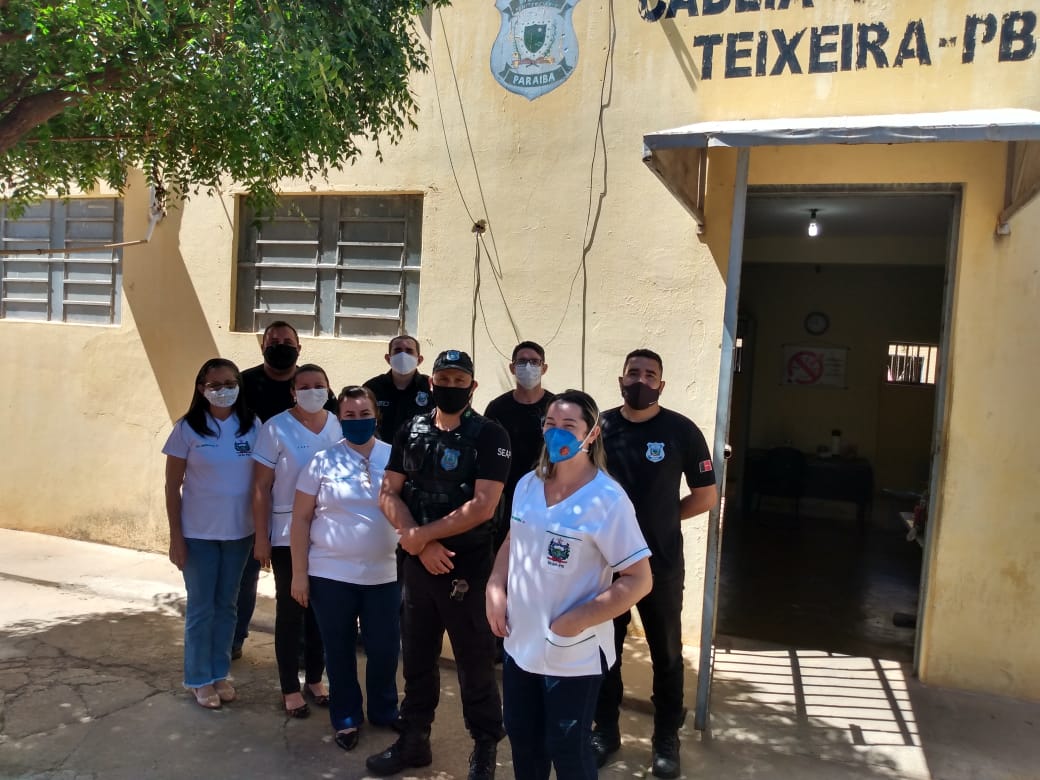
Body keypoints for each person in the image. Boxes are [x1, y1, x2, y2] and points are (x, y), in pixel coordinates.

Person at [486, 390, 652, 780]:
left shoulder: (607, 499)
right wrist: (495, 587)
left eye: (569, 425)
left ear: (591, 434)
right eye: (550, 424)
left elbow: (639, 580)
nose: (556, 432)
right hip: (520, 642)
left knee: (568, 750)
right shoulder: (527, 484)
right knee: (523, 740)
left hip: (572, 653)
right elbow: (512, 541)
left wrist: (574, 621)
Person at [365, 349, 510, 780]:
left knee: (475, 661)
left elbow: (483, 505)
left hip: (467, 566)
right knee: (416, 657)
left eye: (459, 381)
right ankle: (414, 741)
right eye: (443, 380)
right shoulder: (411, 429)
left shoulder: (490, 435)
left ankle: (484, 748)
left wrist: (422, 536)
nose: (450, 387)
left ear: (472, 386)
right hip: (418, 564)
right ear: (432, 383)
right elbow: (389, 492)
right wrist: (418, 542)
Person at [591, 349, 718, 779]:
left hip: (659, 563)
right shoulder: (601, 428)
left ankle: (666, 739)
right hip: (606, 563)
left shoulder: (682, 431)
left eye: (650, 375)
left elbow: (706, 496)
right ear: (620, 379)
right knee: (605, 651)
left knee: (666, 653)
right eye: (633, 373)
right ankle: (605, 731)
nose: (640, 381)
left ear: (661, 384)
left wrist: (663, 518)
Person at [290, 386, 401, 752]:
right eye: (349, 415)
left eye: (364, 413)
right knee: (338, 651)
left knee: (384, 650)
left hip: (384, 575)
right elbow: (301, 519)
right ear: (339, 419)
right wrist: (299, 574)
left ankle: (384, 710)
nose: (358, 420)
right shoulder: (322, 462)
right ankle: (347, 719)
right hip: (331, 576)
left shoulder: (394, 456)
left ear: (376, 415)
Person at [233, 320, 333, 658]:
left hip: (310, 513)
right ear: (262, 346)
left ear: (299, 348)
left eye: (287, 341)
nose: (280, 346)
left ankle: (307, 652)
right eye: (273, 341)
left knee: (304, 585)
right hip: (253, 496)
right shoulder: (244, 384)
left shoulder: (317, 394)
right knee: (246, 575)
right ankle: (234, 639)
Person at [163, 358, 259, 709]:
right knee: (201, 607)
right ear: (201, 389)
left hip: (239, 534)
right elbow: (172, 487)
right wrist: (176, 537)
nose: (223, 391)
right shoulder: (187, 429)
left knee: (227, 605)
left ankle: (219, 673)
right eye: (215, 385)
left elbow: (262, 481)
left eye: (230, 383)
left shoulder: (252, 425)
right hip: (198, 535)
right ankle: (198, 678)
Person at [252, 364, 340, 718]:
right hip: (287, 533)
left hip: (328, 532)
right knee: (291, 609)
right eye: (304, 386)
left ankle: (315, 679)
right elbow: (261, 486)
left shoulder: (337, 425)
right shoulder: (275, 427)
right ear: (293, 392)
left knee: (321, 609)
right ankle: (289, 687)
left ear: (329, 389)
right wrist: (261, 537)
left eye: (319, 385)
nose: (312, 392)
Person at [483, 340, 555, 552]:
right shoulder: (497, 408)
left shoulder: (555, 407)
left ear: (544, 368)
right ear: (512, 368)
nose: (528, 367)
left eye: (534, 362)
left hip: (545, 495)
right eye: (522, 362)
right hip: (506, 499)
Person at [363, 334, 432, 442]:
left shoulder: (430, 387)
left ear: (419, 360)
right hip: (381, 450)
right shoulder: (372, 388)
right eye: (398, 350)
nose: (403, 355)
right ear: (388, 358)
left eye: (409, 351)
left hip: (420, 450)